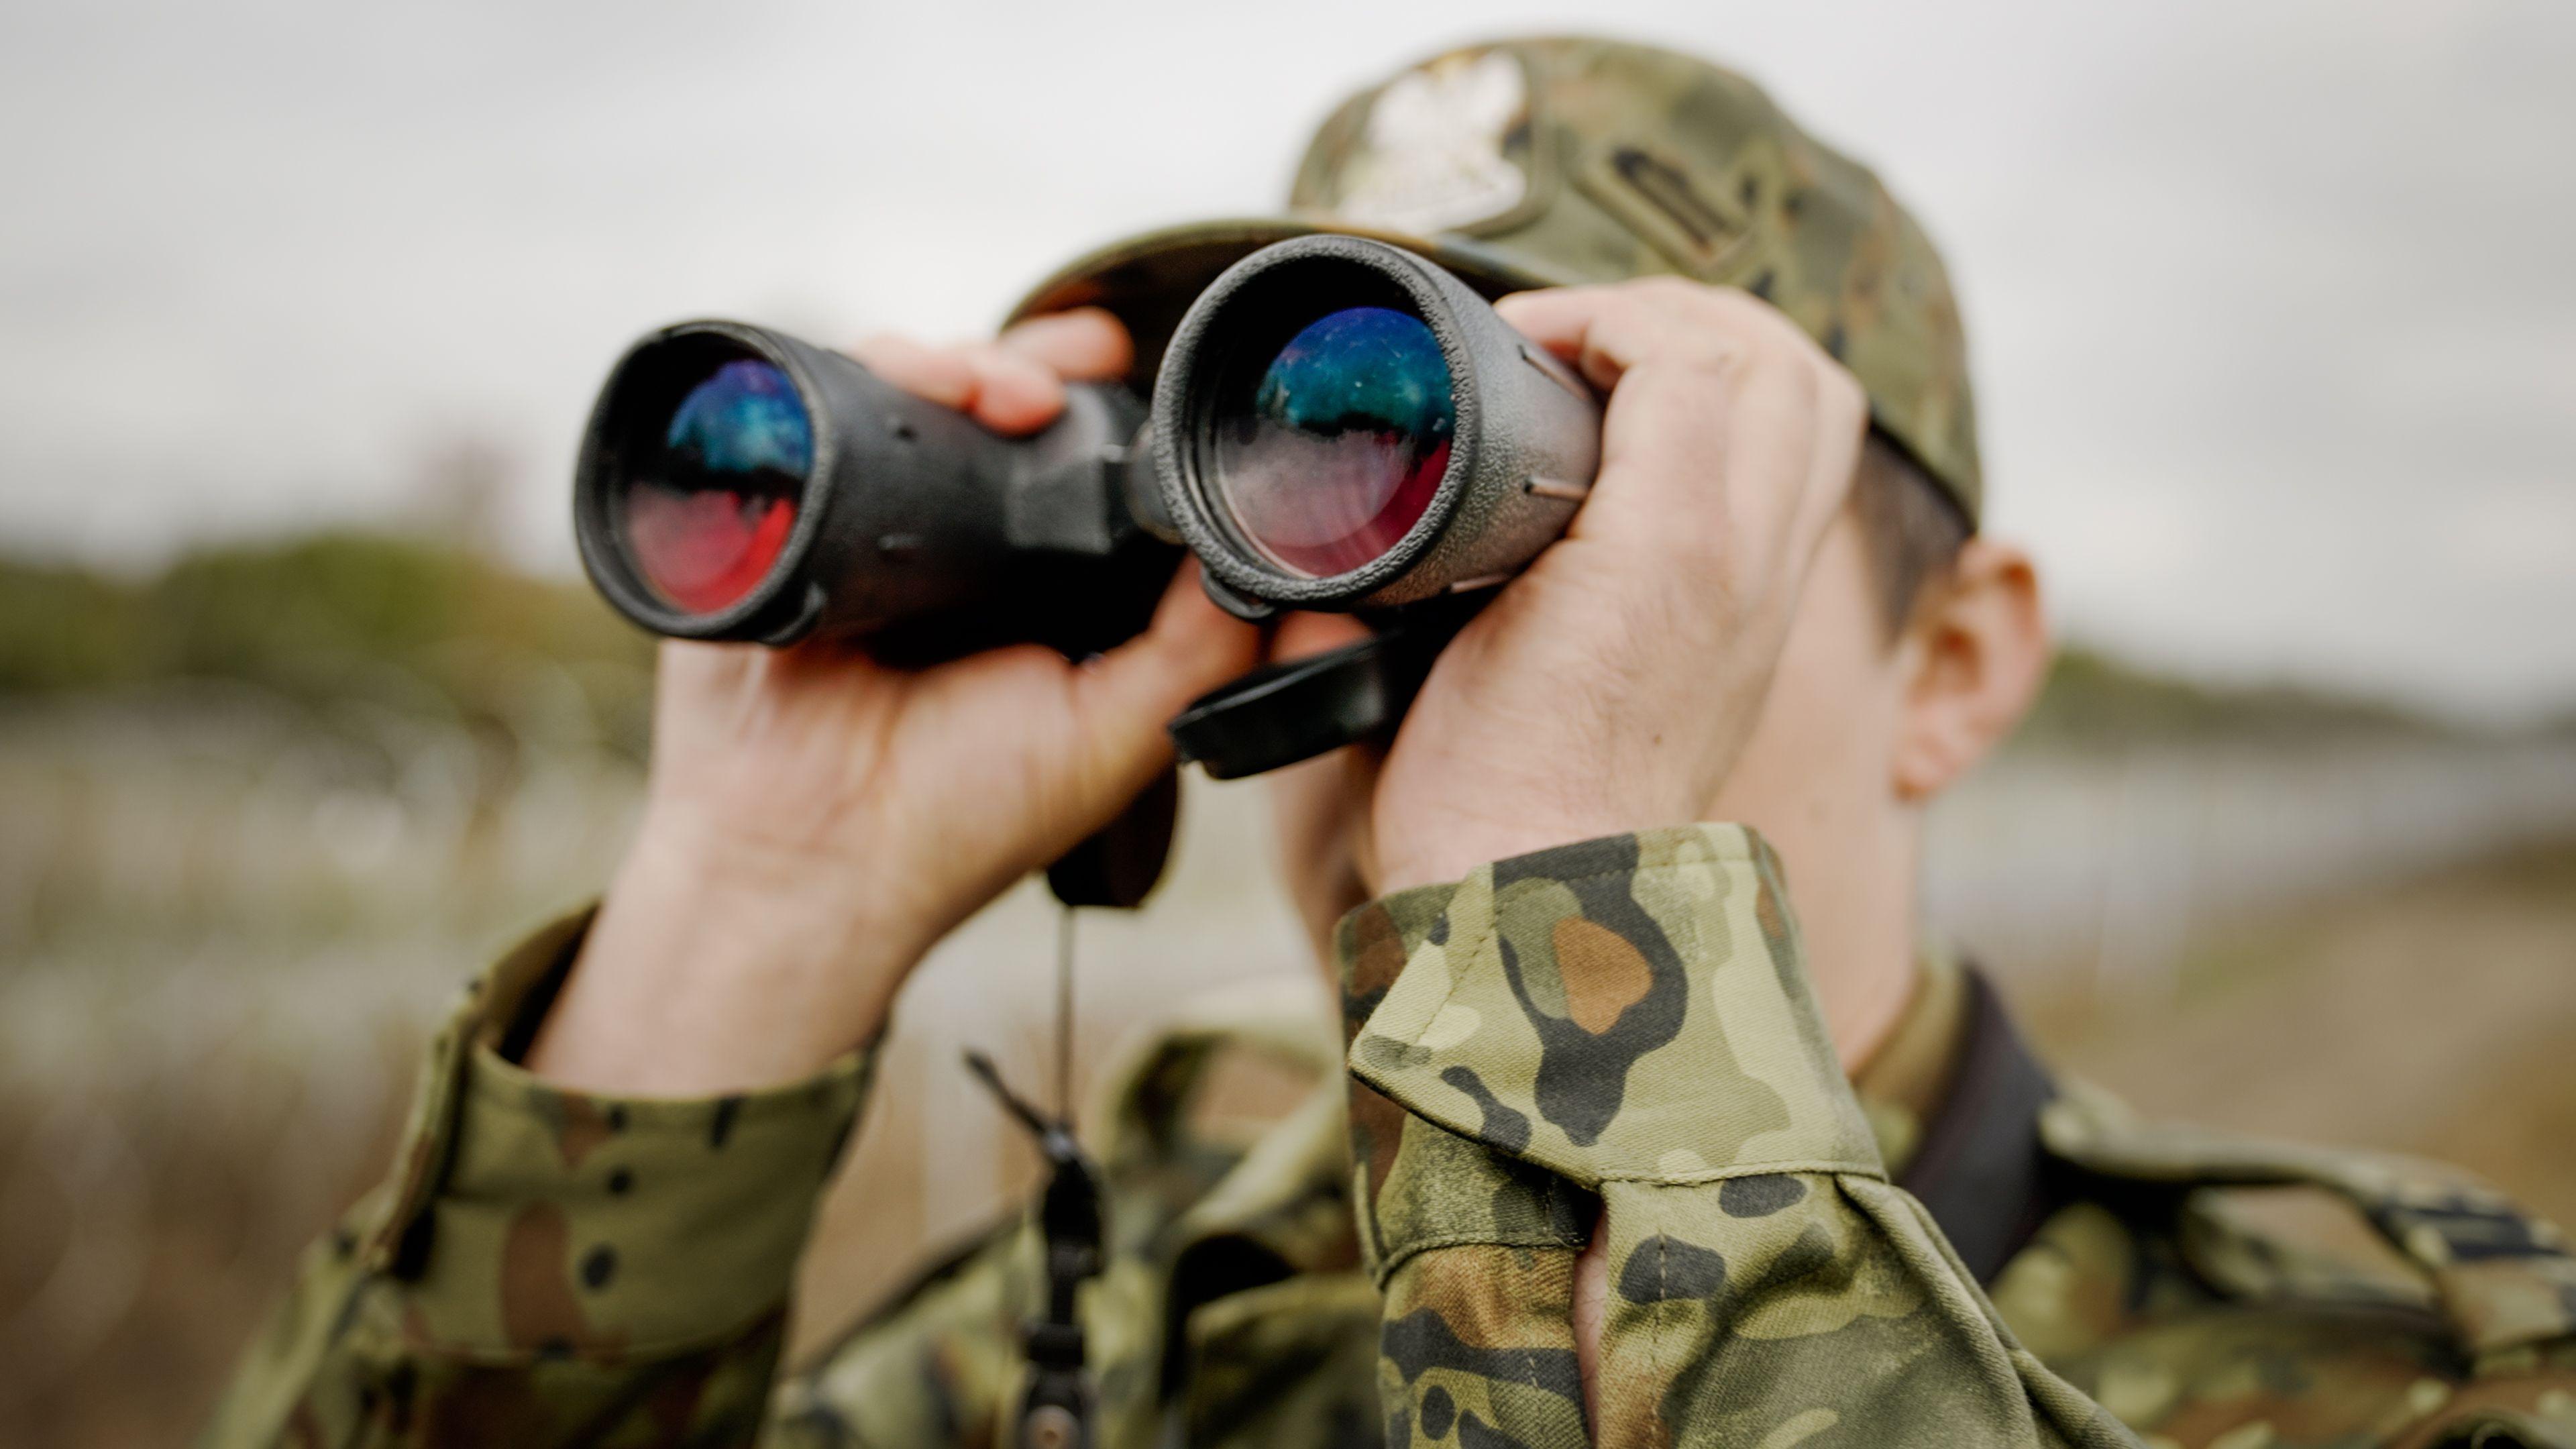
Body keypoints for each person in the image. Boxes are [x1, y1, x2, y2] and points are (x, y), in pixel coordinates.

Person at [203, 35, 2576, 1449]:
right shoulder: (1135, 1329)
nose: (1381, 657)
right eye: (1305, 498)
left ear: (1954, 665)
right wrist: (748, 919)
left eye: (1556, 505)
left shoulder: (2426, 1376)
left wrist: (1566, 879)